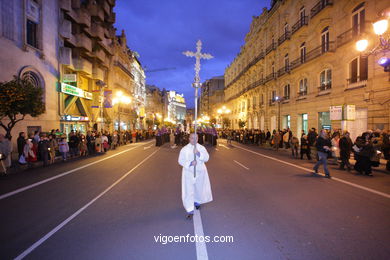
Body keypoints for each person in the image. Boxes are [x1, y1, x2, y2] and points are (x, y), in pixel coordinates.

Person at [178, 133, 212, 220]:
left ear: (198, 139)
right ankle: (189, 209)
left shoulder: (201, 148)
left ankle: (197, 201)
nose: (194, 140)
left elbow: (207, 158)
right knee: (188, 190)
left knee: (198, 188)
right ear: (189, 139)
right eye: (192, 138)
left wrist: (199, 154)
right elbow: (180, 160)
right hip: (188, 173)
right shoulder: (184, 149)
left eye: (196, 138)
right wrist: (189, 163)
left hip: (200, 171)